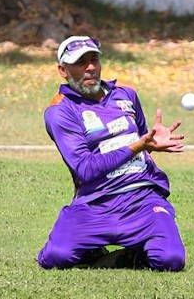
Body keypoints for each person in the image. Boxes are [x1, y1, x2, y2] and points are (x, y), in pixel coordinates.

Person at [38, 35, 186, 271]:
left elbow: (142, 140)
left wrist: (150, 144)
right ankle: (92, 250)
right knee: (55, 257)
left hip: (142, 198)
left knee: (170, 260)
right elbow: (85, 168)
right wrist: (138, 146)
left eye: (94, 60)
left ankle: (131, 255)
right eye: (80, 62)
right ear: (63, 70)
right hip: (95, 201)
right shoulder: (60, 111)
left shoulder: (126, 94)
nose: (90, 68)